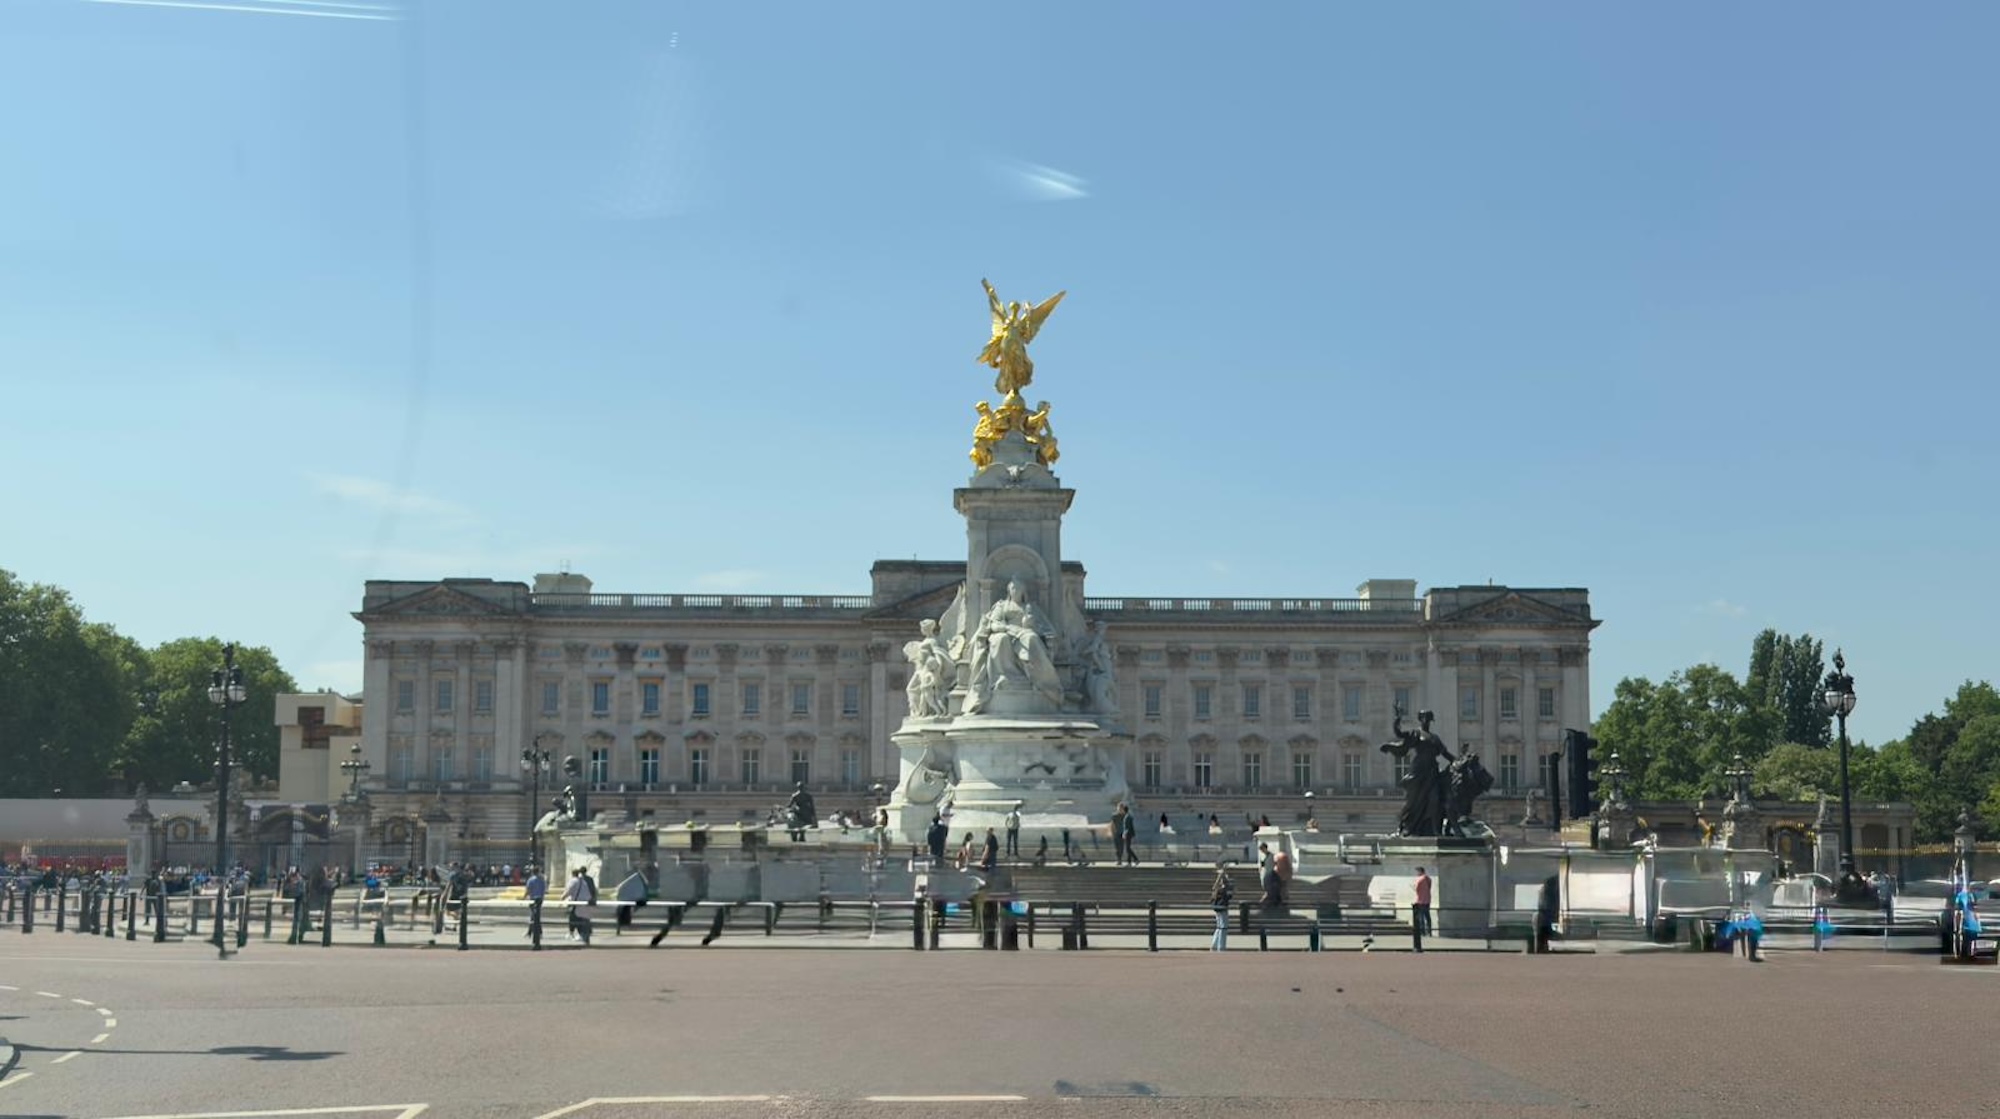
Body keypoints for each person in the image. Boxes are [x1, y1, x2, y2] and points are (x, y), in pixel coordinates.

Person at [563, 866, 596, 945]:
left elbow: (569, 890)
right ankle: (585, 934)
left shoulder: (575, 881)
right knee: (584, 918)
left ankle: (576, 933)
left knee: (574, 918)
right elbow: (592, 890)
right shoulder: (588, 880)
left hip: (577, 902)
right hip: (587, 901)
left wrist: (563, 898)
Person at [1210, 866, 1235, 951]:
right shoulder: (1224, 888)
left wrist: (1221, 875)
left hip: (1219, 907)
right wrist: (1221, 875)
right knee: (1223, 928)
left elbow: (1215, 887)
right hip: (1222, 908)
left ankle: (1214, 945)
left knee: (1219, 927)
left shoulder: (1222, 887)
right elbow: (1216, 887)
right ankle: (1221, 947)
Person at [1412, 866, 1433, 952]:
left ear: (1420, 871)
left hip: (1420, 900)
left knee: (1420, 918)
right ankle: (1429, 931)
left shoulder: (1419, 879)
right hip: (1427, 899)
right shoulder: (1428, 879)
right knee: (1427, 916)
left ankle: (1422, 931)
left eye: (1417, 871)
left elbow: (1416, 889)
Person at [524, 864, 546, 939]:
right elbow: (543, 890)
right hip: (539, 899)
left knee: (534, 916)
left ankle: (534, 932)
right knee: (535, 916)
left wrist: (524, 897)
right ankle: (532, 932)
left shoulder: (531, 880)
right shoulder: (542, 880)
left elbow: (528, 890)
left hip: (533, 899)